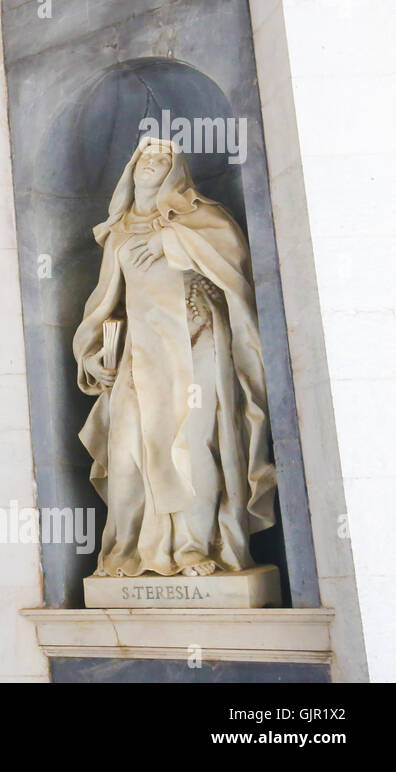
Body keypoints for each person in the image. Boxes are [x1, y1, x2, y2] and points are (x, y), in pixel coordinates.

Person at [72, 137, 276, 578]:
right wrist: (91, 357)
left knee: (193, 442)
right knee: (127, 452)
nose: (154, 163)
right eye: (147, 156)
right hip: (139, 355)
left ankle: (190, 546)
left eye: (164, 159)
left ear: (175, 170)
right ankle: (128, 551)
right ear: (132, 167)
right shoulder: (119, 236)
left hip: (196, 339)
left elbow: (233, 262)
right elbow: (103, 304)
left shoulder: (197, 216)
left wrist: (174, 241)